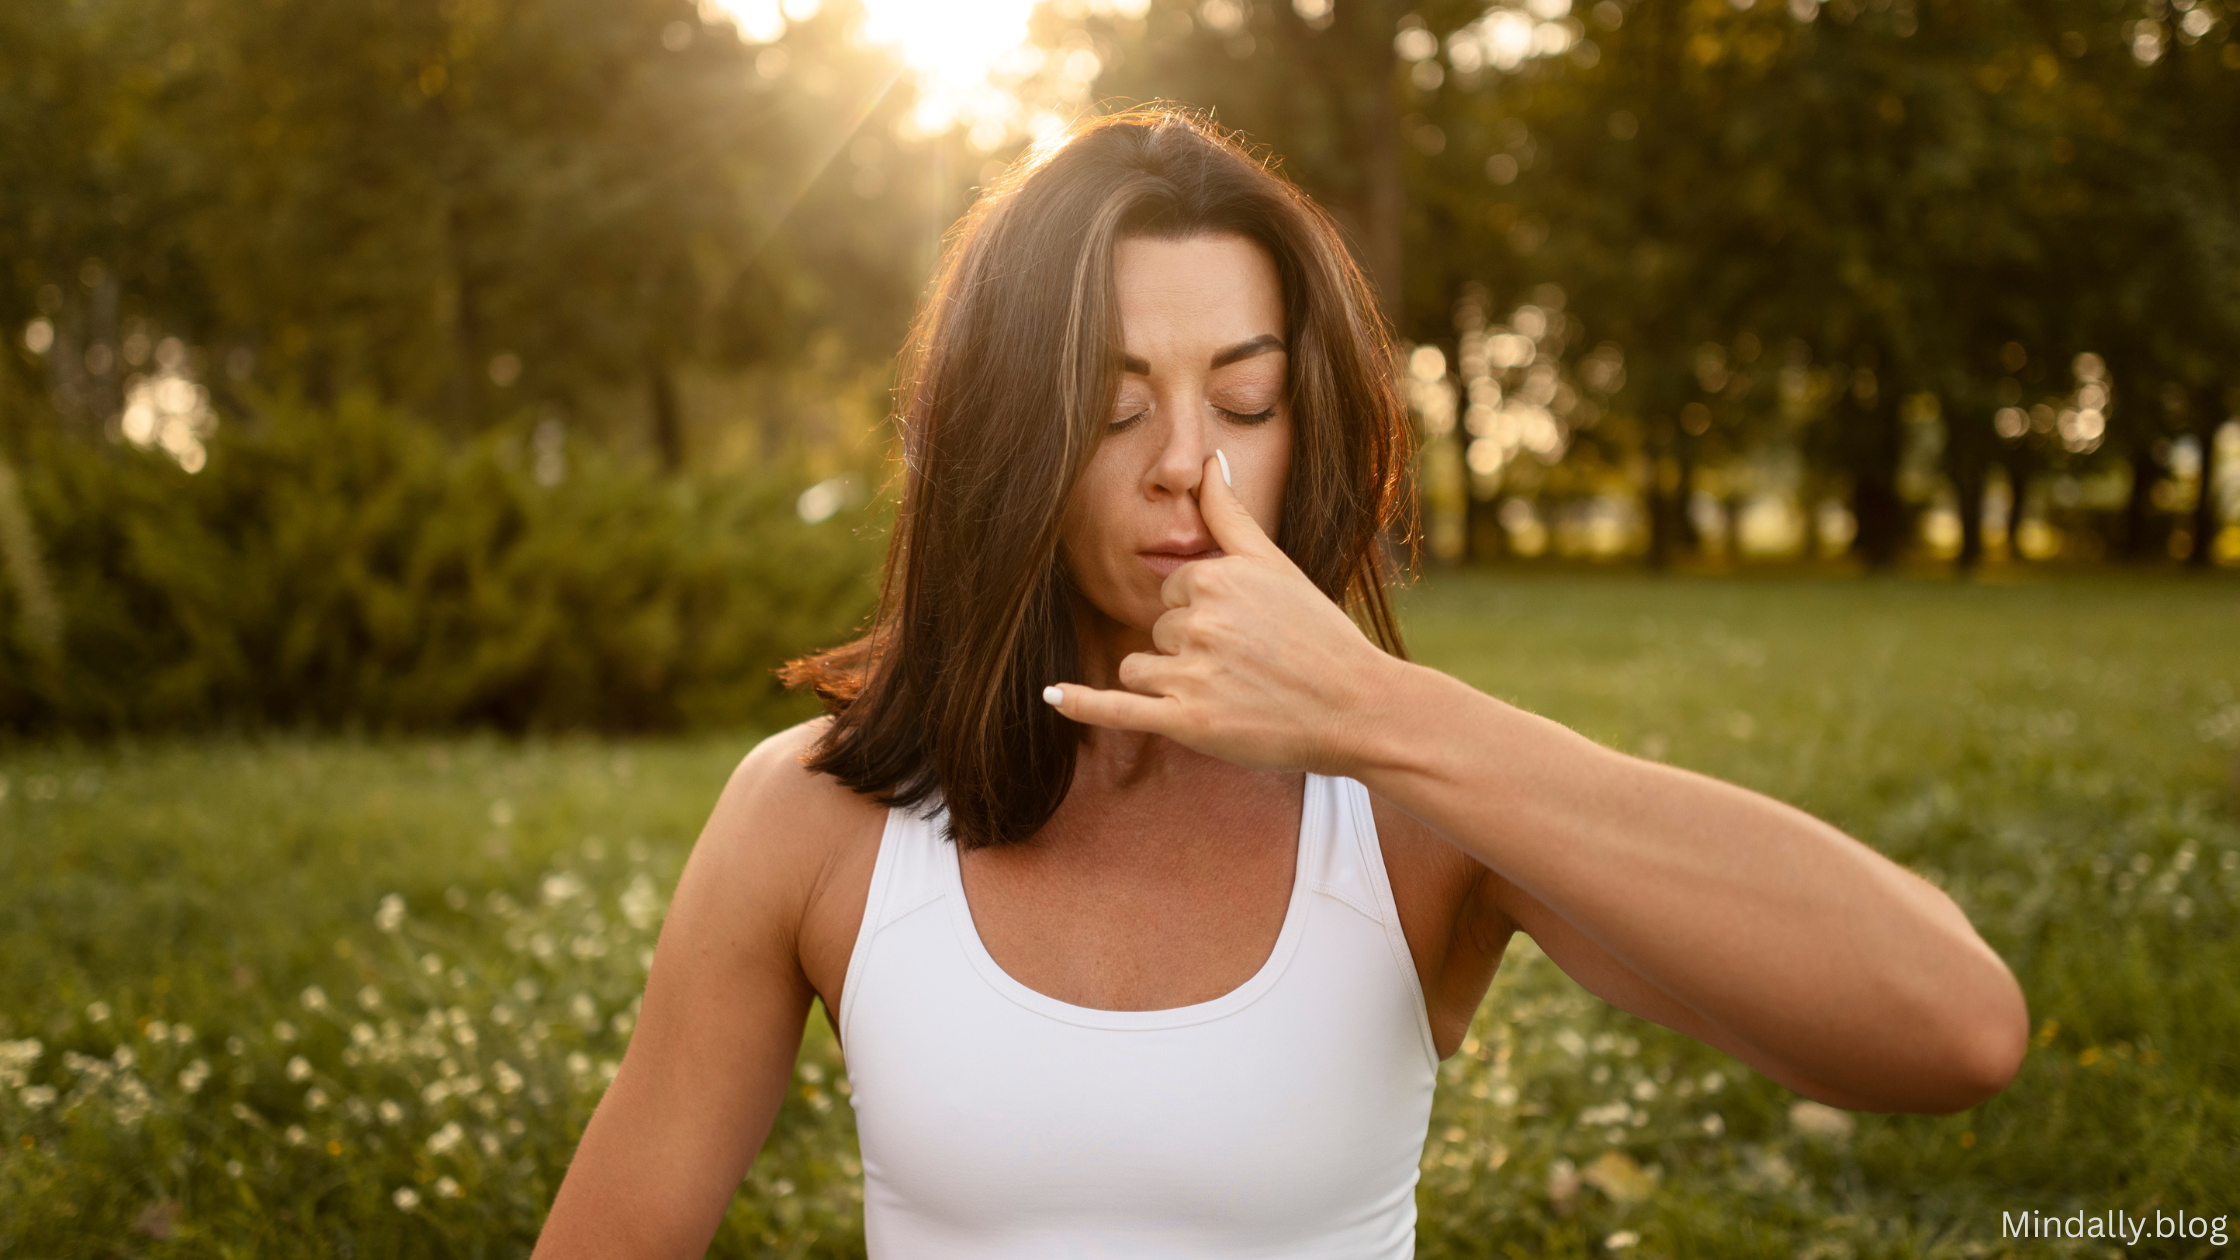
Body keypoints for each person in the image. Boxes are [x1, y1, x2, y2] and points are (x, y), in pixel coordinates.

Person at [531, 109, 2028, 1259]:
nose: (1191, 460)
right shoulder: (816, 820)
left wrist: (1380, 716)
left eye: (1244, 399)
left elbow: (1952, 1028)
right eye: (1115, 409)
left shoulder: (1415, 814)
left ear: (1305, 421)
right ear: (1005, 444)